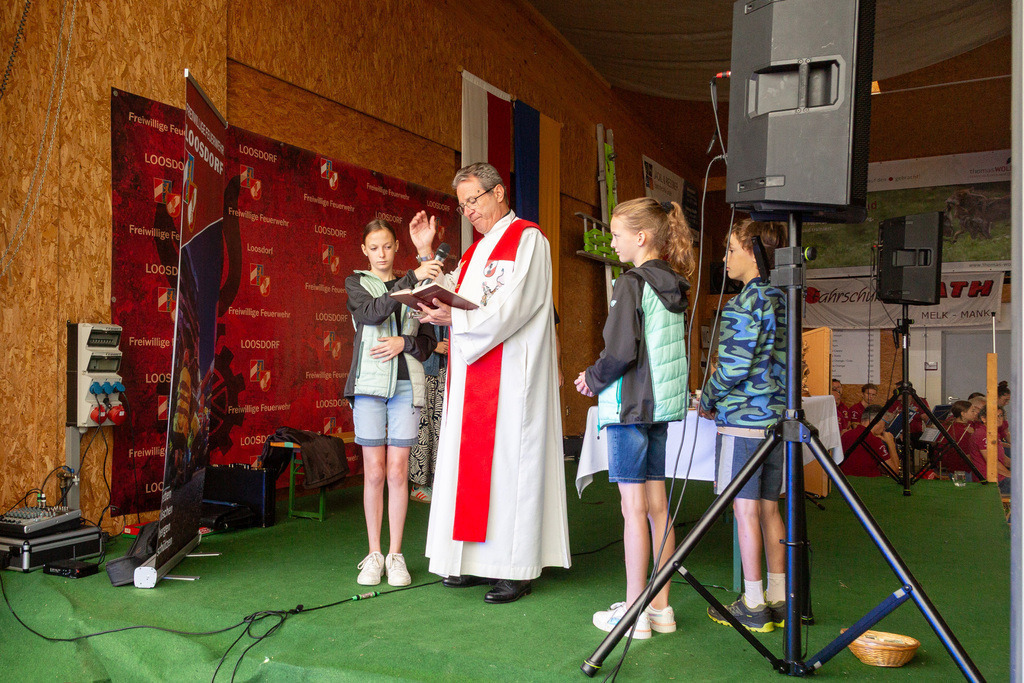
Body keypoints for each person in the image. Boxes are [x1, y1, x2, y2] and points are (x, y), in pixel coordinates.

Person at [411, 162, 569, 604]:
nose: (468, 212)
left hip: (511, 377)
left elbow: (514, 306)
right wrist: (426, 259)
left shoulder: (528, 240)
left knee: (508, 469)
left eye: (473, 200)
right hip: (475, 375)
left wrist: (455, 317)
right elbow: (453, 291)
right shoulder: (473, 252)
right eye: (462, 206)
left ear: (499, 192)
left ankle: (514, 568)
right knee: (472, 469)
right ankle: (473, 563)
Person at [574, 197, 696, 639]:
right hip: (660, 409)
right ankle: (660, 608)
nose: (612, 240)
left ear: (641, 237)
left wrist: (591, 378)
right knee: (658, 508)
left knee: (633, 511)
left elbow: (621, 352)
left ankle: (633, 612)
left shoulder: (630, 282)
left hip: (628, 409)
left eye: (617, 233)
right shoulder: (674, 283)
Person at [699, 218, 788, 633]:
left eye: (730, 249)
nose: (724, 257)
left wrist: (710, 397)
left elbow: (733, 367)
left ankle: (752, 603)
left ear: (753, 253)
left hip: (743, 423)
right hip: (776, 422)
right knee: (770, 508)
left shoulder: (743, 303)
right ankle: (778, 596)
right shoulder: (784, 299)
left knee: (744, 510)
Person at [344, 219, 441, 587]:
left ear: (397, 246)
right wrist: (411, 277)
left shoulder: (418, 282)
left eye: (387, 246)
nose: (382, 254)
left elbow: (429, 340)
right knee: (374, 472)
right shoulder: (357, 283)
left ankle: (396, 554)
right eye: (374, 248)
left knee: (399, 471)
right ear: (365, 251)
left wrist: (405, 344)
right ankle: (373, 554)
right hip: (369, 386)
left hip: (407, 387)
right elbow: (371, 314)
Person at [409, 324, 448, 503]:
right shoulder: (419, 302)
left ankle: (439, 482)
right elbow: (408, 335)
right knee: (422, 428)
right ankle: (418, 485)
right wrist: (434, 346)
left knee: (443, 428)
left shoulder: (455, 301)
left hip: (448, 370)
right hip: (423, 370)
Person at [840, 405, 901, 477]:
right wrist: (891, 443)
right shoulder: (874, 440)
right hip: (868, 483)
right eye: (885, 422)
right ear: (876, 420)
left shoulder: (846, 435)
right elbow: (894, 472)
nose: (885, 427)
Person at [967, 406, 1011, 494]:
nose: (998, 419)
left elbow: (1004, 459)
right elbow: (992, 462)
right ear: (983, 418)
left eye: (1000, 415)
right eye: (994, 416)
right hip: (991, 480)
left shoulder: (992, 432)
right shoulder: (982, 434)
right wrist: (1012, 476)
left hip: (999, 477)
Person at [937, 400, 977, 474]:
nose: (975, 413)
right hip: (962, 469)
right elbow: (967, 456)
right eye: (972, 411)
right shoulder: (964, 431)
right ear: (963, 414)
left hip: (950, 466)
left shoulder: (949, 423)